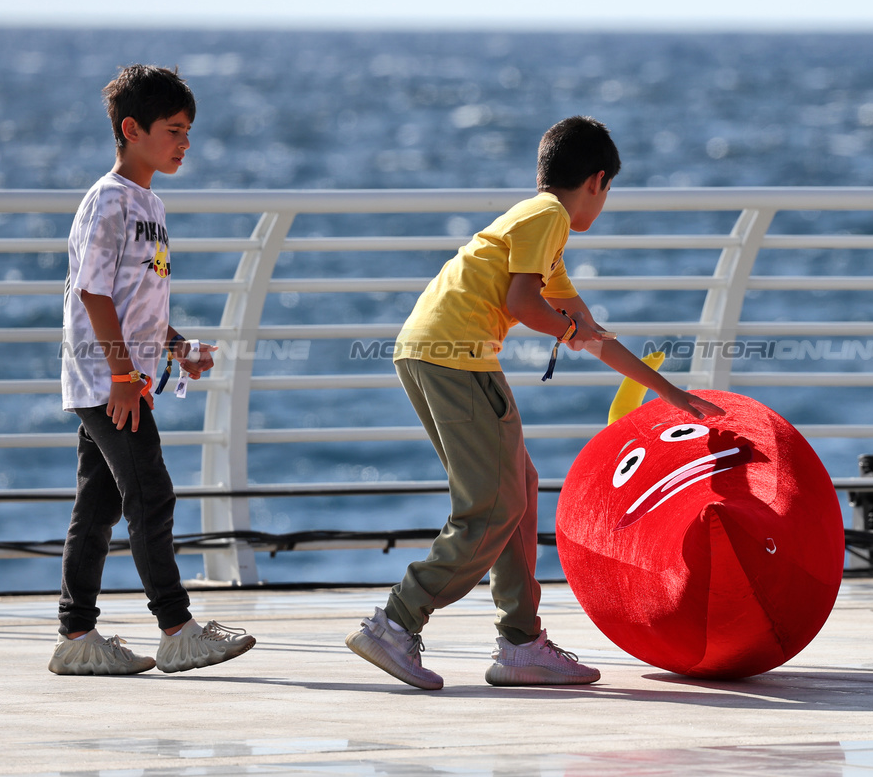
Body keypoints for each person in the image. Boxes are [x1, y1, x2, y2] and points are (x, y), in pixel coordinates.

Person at [346, 116, 724, 689]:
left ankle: (521, 643)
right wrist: (569, 332)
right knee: (492, 508)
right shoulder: (548, 217)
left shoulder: (540, 226)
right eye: (608, 191)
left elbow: (588, 329)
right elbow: (526, 304)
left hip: (432, 352)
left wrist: (668, 392)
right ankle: (396, 622)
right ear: (597, 181)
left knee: (517, 490)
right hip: (456, 359)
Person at [50, 64, 256, 675]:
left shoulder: (151, 204)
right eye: (173, 129)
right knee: (152, 496)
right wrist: (120, 378)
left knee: (99, 507)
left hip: (122, 377)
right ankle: (176, 628)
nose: (185, 142)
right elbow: (93, 294)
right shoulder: (108, 201)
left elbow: (137, 297)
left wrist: (175, 346)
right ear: (131, 129)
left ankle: (76, 637)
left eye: (188, 130)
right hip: (107, 381)